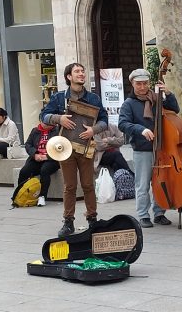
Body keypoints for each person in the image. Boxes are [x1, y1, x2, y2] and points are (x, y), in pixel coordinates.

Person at [40, 63, 108, 237]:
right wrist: (59, 118)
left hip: (86, 147)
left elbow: (104, 120)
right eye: (77, 71)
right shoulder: (58, 98)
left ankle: (92, 219)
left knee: (88, 185)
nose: (81, 74)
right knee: (69, 186)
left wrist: (94, 130)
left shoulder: (93, 99)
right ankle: (68, 221)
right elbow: (44, 116)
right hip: (65, 147)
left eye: (82, 71)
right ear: (69, 77)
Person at [118, 68, 177, 228]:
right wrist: (141, 129)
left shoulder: (157, 97)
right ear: (132, 83)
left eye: (145, 83)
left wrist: (169, 94)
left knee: (160, 181)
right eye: (139, 84)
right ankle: (143, 215)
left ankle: (159, 213)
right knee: (143, 184)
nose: (143, 87)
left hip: (162, 148)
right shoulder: (128, 104)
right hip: (142, 148)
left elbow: (174, 110)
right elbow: (122, 124)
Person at [16, 119, 60, 207]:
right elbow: (28, 144)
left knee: (44, 170)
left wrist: (47, 156)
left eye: (49, 123)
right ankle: (20, 193)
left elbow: (62, 148)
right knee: (24, 171)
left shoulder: (57, 131)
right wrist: (35, 154)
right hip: (36, 158)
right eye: (44, 122)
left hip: (51, 160)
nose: (46, 125)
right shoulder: (35, 130)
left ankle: (42, 196)